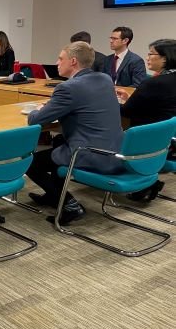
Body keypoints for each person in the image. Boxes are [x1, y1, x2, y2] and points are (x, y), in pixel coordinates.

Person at [26, 41, 124, 225]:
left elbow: (35, 120)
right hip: (116, 151)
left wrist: (38, 109)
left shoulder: (68, 88)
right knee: (59, 143)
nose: (56, 63)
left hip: (91, 153)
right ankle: (54, 196)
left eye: (60, 59)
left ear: (72, 62)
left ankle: (70, 205)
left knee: (31, 163)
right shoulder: (105, 79)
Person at [117, 39, 176, 201]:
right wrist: (133, 98)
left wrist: (106, 103)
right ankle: (148, 183)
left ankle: (143, 182)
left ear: (165, 58)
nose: (147, 57)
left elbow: (127, 111)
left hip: (144, 144)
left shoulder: (153, 83)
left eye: (151, 54)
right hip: (167, 141)